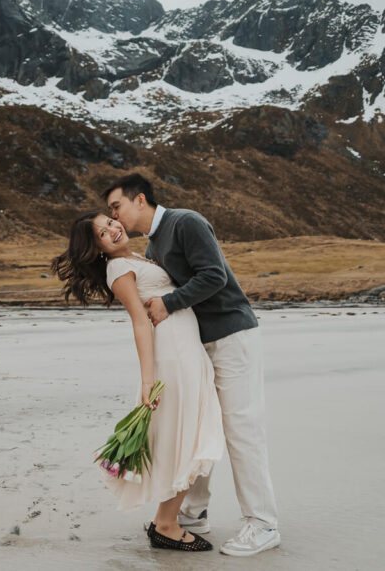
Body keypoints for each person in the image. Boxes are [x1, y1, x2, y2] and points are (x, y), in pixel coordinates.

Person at [104, 173, 280, 557]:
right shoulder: (152, 245)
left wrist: (169, 304)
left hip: (232, 335)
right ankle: (193, 513)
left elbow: (214, 276)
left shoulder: (185, 222)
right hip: (201, 345)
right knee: (203, 426)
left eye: (116, 206)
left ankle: (263, 523)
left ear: (139, 199)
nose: (114, 216)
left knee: (241, 430)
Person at [52, 211, 224, 552]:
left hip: (184, 347)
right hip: (171, 355)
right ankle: (166, 524)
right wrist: (148, 379)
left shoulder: (136, 257)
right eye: (103, 233)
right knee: (185, 435)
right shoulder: (118, 269)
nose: (114, 230)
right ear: (97, 248)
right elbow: (140, 323)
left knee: (187, 432)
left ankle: (167, 519)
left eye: (111, 223)